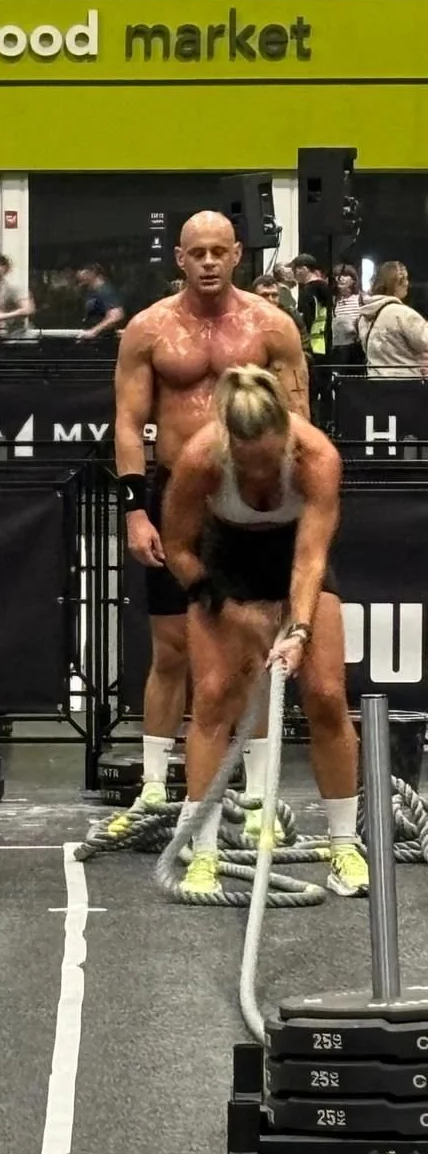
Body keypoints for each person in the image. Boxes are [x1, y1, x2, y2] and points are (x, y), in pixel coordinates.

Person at [114, 210, 309, 816]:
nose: (206, 262)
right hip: (176, 495)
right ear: (179, 257)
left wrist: (291, 503)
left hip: (251, 497)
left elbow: (299, 420)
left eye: (217, 251)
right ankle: (151, 790)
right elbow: (127, 422)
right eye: (195, 252)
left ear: (236, 255)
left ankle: (254, 797)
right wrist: (134, 511)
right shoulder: (148, 330)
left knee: (248, 645)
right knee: (171, 647)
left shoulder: (272, 327)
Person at [161, 366, 368, 898]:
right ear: (230, 445)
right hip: (227, 563)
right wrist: (230, 612)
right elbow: (179, 549)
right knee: (212, 699)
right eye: (247, 464)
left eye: (268, 462)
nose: (258, 476)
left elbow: (309, 560)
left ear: (287, 436)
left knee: (324, 696)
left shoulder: (316, 458)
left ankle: (345, 847)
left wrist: (295, 631)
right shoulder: (201, 459)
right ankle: (202, 852)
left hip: (293, 559)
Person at [357, 261, 428, 377]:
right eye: (405, 280)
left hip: (375, 383)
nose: (407, 284)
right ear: (397, 283)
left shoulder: (365, 315)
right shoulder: (402, 313)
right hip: (405, 385)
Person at [75, 264, 126, 344]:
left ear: (92, 272)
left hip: (104, 342)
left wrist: (94, 331)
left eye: (81, 270)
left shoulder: (106, 291)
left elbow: (116, 315)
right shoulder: (92, 292)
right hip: (93, 341)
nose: (77, 273)